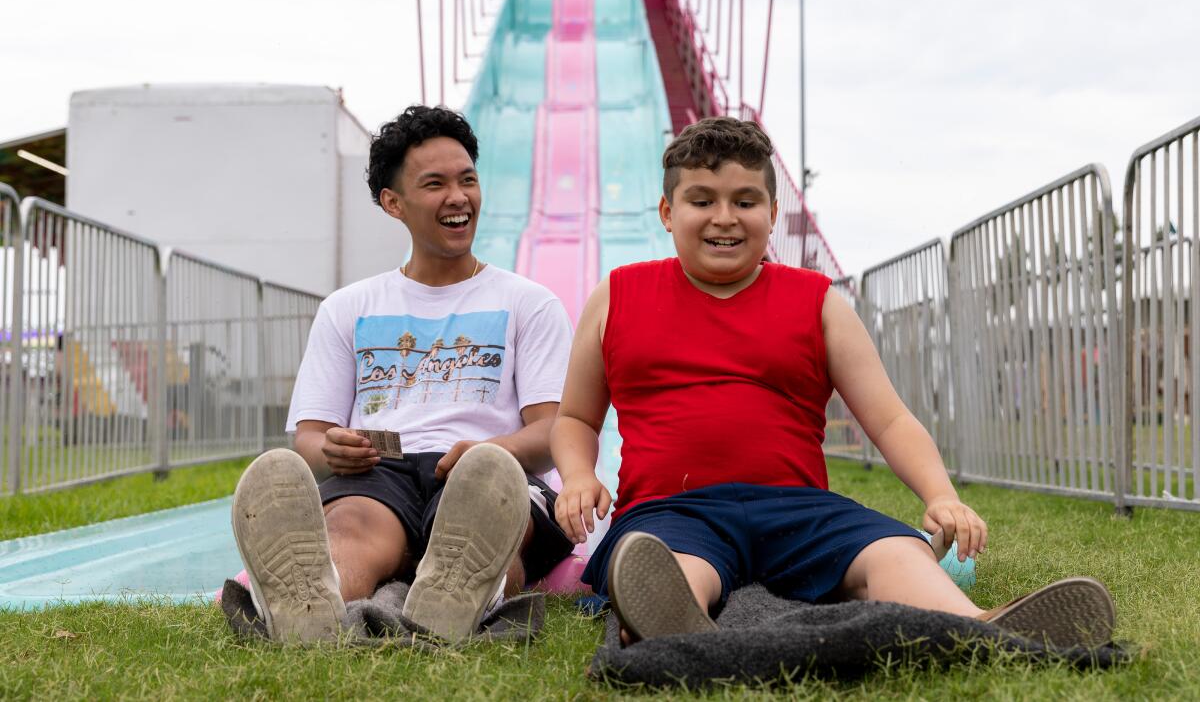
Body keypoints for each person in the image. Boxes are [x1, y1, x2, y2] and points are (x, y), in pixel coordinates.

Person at [550, 116, 1116, 649]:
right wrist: (577, 475)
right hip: (673, 510)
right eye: (702, 201)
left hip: (798, 510)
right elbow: (576, 417)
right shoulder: (618, 295)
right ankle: (673, 627)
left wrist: (941, 495)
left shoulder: (816, 302)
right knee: (669, 566)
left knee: (892, 549)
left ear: (772, 214)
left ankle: (983, 627)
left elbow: (889, 418)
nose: (725, 216)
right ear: (668, 212)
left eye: (744, 201)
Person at [231, 105, 575, 644]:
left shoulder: (529, 303)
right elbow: (309, 438)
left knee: (491, 516)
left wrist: (498, 451)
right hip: (379, 471)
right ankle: (306, 603)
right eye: (434, 184)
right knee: (351, 526)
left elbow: (552, 433)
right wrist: (333, 451)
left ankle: (459, 594)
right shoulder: (349, 307)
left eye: (468, 180)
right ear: (393, 203)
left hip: (484, 468)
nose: (458, 197)